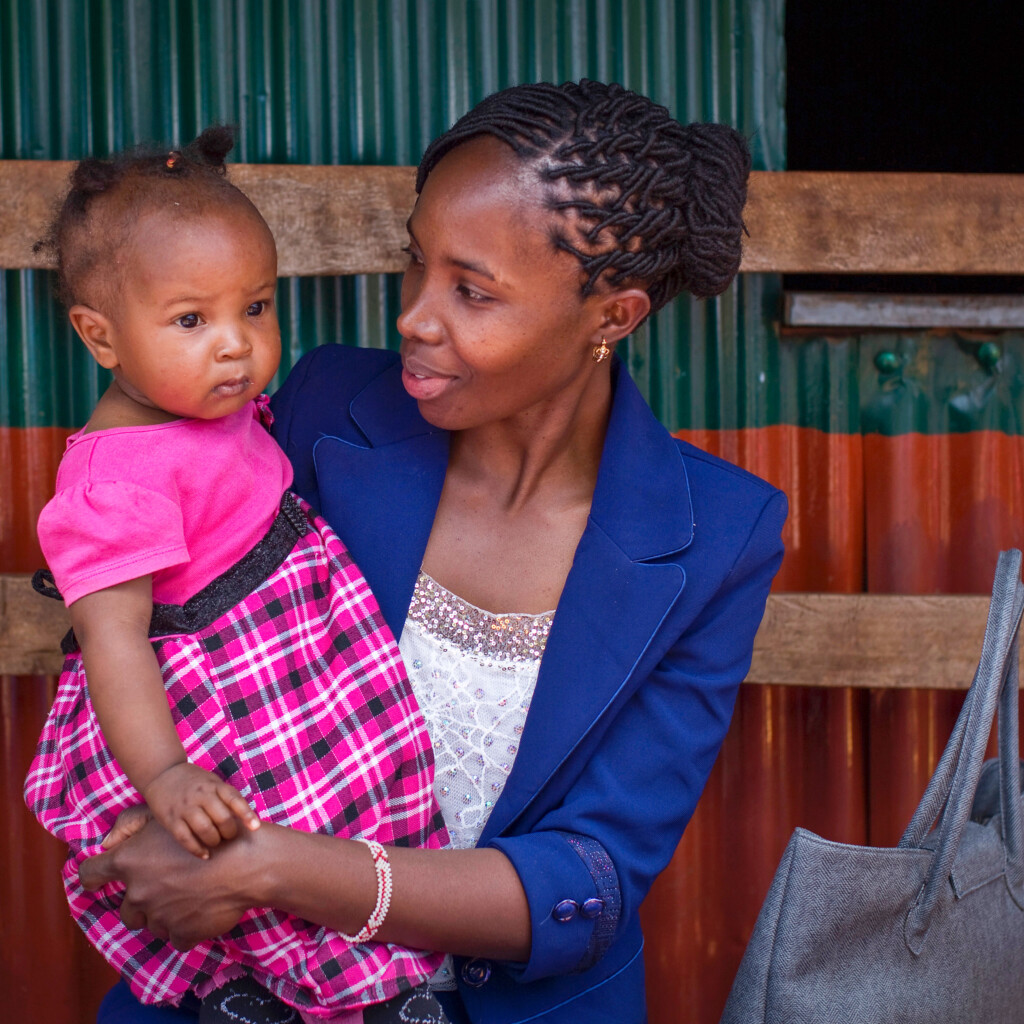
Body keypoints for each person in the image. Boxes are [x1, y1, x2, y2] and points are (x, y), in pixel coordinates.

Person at [81, 80, 788, 1024]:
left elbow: (591, 882)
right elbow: (158, 577)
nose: (414, 315)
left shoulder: (714, 537)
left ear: (612, 317)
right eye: (416, 264)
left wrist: (276, 870)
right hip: (238, 989)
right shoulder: (326, 410)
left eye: (472, 291)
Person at [23, 127, 448, 1024]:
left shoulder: (200, 408)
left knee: (363, 807)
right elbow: (110, 641)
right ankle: (263, 992)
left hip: (294, 658)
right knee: (249, 834)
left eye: (254, 308)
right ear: (99, 337)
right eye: (191, 320)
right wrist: (167, 772)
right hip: (211, 700)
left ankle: (385, 983)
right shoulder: (111, 483)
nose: (235, 346)